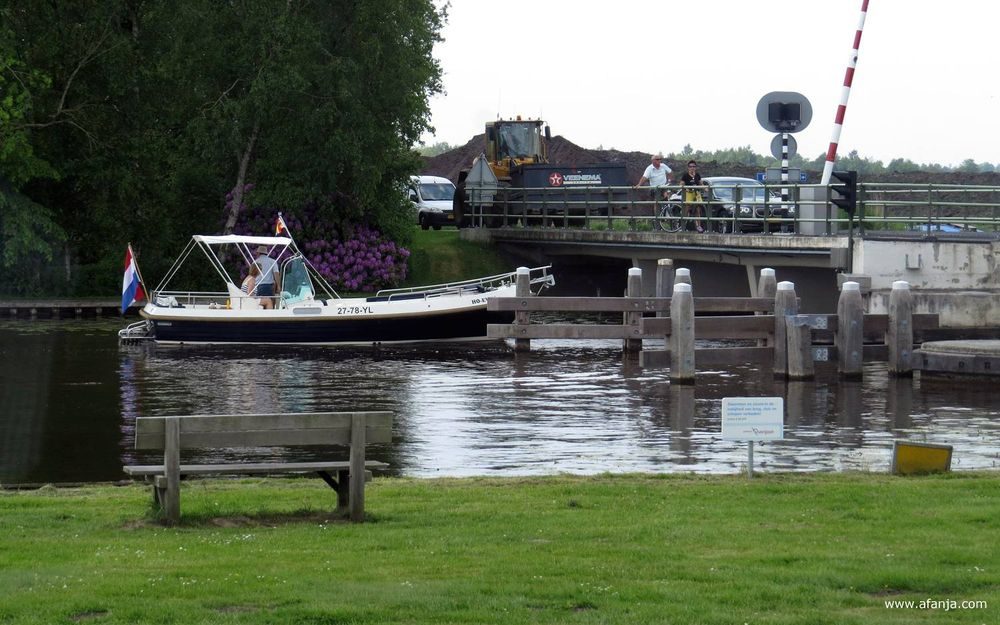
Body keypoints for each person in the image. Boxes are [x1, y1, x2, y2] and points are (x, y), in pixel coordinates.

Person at [680, 160, 706, 233]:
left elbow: (701, 184)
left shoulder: (697, 175)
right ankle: (683, 224)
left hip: (696, 193)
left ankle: (698, 226)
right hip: (689, 193)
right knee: (687, 208)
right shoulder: (685, 175)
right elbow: (681, 184)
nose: (692, 168)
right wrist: (686, 188)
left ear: (696, 167)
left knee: (698, 209)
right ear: (688, 168)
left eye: (694, 166)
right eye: (690, 167)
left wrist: (706, 189)